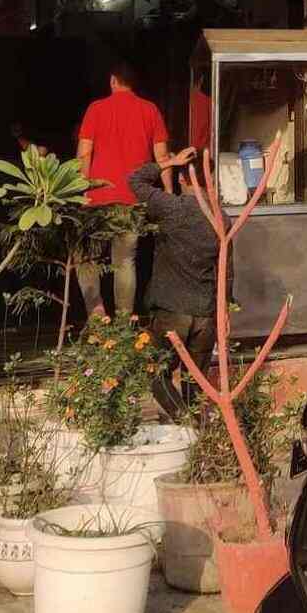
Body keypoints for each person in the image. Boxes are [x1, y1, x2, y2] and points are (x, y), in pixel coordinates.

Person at [128, 147, 220, 420]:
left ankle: (185, 424)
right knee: (196, 383)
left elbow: (135, 180)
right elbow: (226, 270)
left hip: (172, 310)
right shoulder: (221, 218)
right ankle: (199, 432)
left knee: (156, 373)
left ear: (181, 178)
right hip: (205, 315)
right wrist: (223, 309)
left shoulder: (171, 207)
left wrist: (169, 161)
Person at [75, 61, 171, 318]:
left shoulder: (96, 109)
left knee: (87, 258)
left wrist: (81, 190)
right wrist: (168, 195)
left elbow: (84, 153)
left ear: (113, 80)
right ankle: (124, 322)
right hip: (134, 198)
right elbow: (162, 157)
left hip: (97, 198)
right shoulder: (150, 110)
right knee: (125, 261)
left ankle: (96, 316)